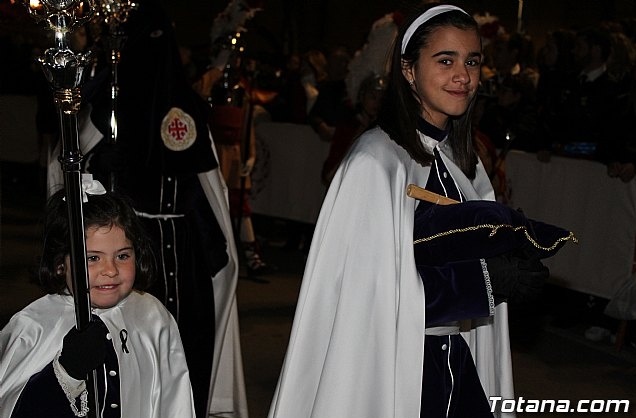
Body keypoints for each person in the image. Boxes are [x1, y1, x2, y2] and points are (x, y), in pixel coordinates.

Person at [268, 5, 549, 418]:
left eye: (472, 61)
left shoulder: (461, 159)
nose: (463, 75)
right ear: (408, 69)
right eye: (445, 60)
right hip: (396, 370)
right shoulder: (376, 160)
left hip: (454, 358)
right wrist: (484, 283)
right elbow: (367, 300)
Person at [46, 2, 248, 416]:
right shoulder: (105, 105)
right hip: (118, 251)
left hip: (180, 260)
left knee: (183, 357)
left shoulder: (184, 111)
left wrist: (217, 256)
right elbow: (68, 167)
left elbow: (204, 188)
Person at [0, 178, 196, 418]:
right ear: (61, 264)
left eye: (123, 256)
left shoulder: (152, 316)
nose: (111, 270)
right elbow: (14, 409)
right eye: (93, 258)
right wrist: (66, 372)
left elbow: (175, 402)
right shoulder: (35, 325)